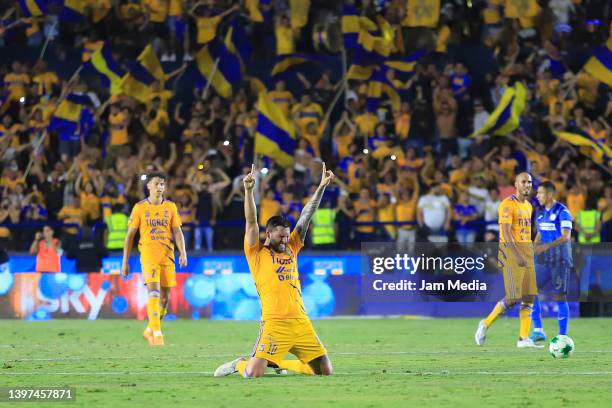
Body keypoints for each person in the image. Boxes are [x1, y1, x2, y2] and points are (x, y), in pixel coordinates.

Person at [214, 163, 335, 377]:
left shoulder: (292, 247)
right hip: (274, 324)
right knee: (252, 374)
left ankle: (282, 366)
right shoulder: (256, 254)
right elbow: (251, 222)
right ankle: (240, 363)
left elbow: (306, 215)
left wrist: (321, 186)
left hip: (301, 321)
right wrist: (249, 190)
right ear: (268, 234)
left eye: (287, 236)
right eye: (281, 237)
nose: (285, 240)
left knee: (325, 372)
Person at [475, 172, 543, 348]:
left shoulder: (528, 206)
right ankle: (485, 323)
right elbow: (505, 233)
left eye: (529, 182)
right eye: (523, 182)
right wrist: (518, 255)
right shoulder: (507, 204)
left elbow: (526, 232)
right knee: (514, 297)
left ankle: (523, 339)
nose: (527, 185)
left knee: (529, 297)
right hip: (511, 252)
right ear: (516, 184)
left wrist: (532, 247)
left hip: (526, 251)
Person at [121, 172, 188, 347]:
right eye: (157, 184)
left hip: (167, 256)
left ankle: (150, 328)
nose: (160, 187)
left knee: (165, 298)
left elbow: (178, 232)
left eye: (162, 184)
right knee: (154, 292)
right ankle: (157, 334)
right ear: (148, 186)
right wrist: (125, 262)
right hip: (148, 255)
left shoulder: (171, 207)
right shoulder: (140, 208)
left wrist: (183, 252)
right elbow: (130, 236)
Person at [530, 181, 573, 342]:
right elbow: (541, 232)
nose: (537, 196)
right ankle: (538, 330)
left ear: (549, 195)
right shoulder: (540, 212)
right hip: (543, 260)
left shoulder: (563, 212)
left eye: (540, 193)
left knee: (560, 296)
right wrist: (534, 247)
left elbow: (565, 236)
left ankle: (562, 335)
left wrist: (544, 247)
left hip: (560, 260)